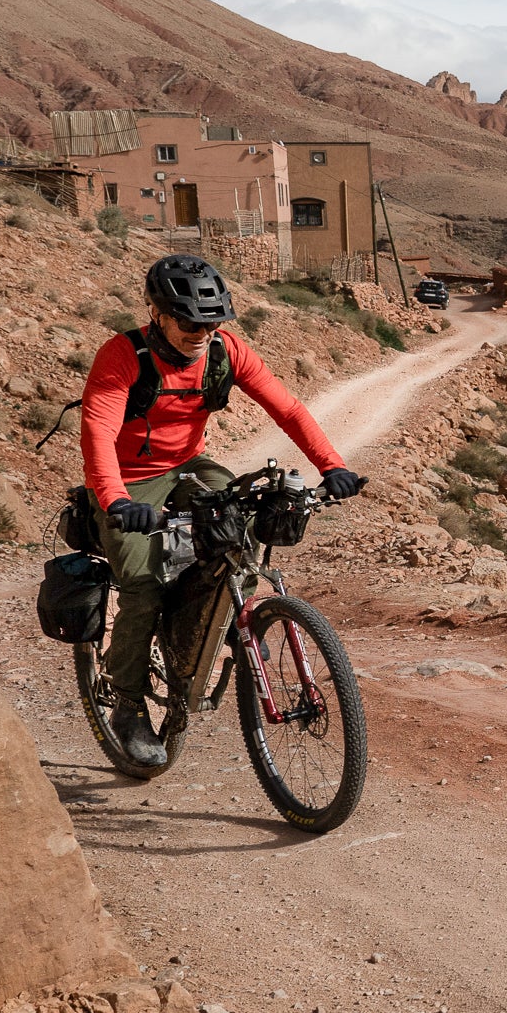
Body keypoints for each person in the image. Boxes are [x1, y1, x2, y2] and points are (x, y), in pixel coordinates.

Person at [79, 254, 366, 768]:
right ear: (158, 314)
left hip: (189, 466)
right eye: (189, 323)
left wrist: (332, 465)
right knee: (142, 584)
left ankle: (225, 615)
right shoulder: (123, 355)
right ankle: (128, 702)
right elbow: (98, 434)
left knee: (242, 526)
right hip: (128, 479)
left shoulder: (225, 351)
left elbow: (288, 410)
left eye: (211, 324)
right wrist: (116, 501)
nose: (201, 334)